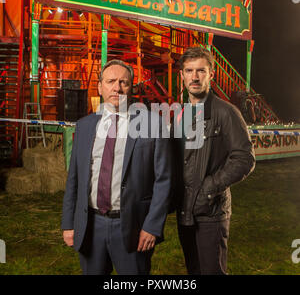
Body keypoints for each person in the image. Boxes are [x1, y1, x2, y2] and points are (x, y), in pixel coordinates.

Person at [61, 59, 171, 275]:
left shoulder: (153, 124)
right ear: (100, 87)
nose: (117, 87)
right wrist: (68, 223)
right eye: (110, 81)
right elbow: (74, 178)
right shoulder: (84, 126)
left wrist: (152, 226)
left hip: (132, 227)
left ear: (131, 88)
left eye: (124, 82)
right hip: (91, 225)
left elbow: (164, 180)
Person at [172, 47, 255, 275]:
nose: (195, 77)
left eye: (201, 70)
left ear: (212, 74)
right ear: (182, 75)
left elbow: (244, 158)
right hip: (185, 210)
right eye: (189, 71)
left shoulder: (227, 112)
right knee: (194, 270)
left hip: (211, 212)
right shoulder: (180, 113)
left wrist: (209, 188)